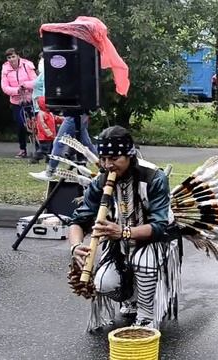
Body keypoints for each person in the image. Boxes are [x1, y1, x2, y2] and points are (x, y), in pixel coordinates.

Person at [69, 125, 182, 330]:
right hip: (119, 244)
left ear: (129, 155)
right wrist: (75, 246)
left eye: (114, 158)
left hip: (157, 240)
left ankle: (147, 315)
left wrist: (123, 232)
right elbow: (78, 220)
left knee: (143, 261)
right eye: (103, 158)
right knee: (103, 282)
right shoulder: (101, 181)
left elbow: (159, 226)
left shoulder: (154, 178)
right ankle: (132, 297)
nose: (107, 164)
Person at [0, 48, 37, 158]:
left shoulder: (27, 65)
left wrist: (25, 85)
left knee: (34, 124)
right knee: (21, 125)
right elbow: (4, 87)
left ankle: (39, 148)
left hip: (30, 99)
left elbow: (36, 81)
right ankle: (22, 149)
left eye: (13, 56)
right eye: (9, 57)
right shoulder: (5, 69)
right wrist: (16, 90)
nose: (11, 59)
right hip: (17, 101)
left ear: (18, 56)